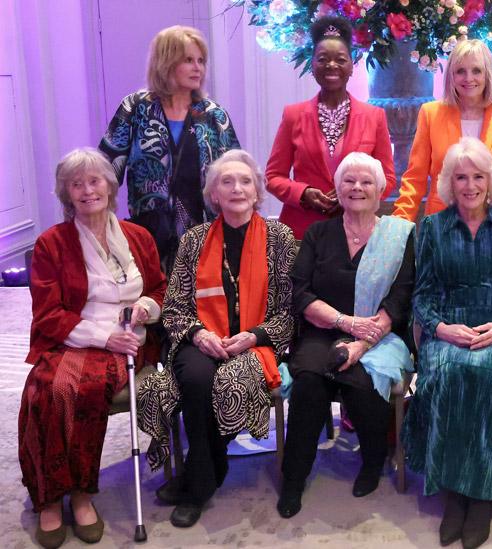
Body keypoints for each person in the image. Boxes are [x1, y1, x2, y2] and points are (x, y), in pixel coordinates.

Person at [137, 149, 296, 528]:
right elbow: (174, 305)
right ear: (214, 195)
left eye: (245, 182)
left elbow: (291, 309)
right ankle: (213, 467)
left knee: (229, 382)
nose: (237, 189)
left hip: (255, 344)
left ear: (257, 193)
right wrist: (198, 333)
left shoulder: (280, 237)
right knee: (193, 378)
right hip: (201, 339)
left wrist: (253, 336)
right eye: (227, 182)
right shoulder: (194, 240)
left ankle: (197, 483)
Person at [20, 148, 166, 548]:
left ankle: (82, 493)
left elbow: (158, 288)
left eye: (94, 181)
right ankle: (49, 497)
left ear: (109, 185)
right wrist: (103, 337)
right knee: (43, 389)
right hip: (75, 336)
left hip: (129, 341)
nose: (87, 191)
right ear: (66, 194)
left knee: (78, 390)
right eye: (76, 184)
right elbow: (48, 313)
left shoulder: (138, 236)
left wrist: (146, 307)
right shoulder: (52, 243)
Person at [402, 137, 492, 549]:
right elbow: (421, 295)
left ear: (491, 180)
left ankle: (481, 495)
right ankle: (454, 494)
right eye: (461, 177)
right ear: (449, 182)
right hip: (450, 329)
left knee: (487, 376)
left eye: (478, 176)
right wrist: (441, 329)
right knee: (449, 373)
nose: (470, 185)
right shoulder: (432, 227)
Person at [277, 152, 415, 517]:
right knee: (309, 380)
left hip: (380, 335)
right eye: (349, 181)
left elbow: (401, 296)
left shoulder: (400, 235)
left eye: (366, 181)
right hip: (324, 329)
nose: (357, 188)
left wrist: (364, 339)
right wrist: (346, 324)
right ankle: (293, 479)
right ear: (337, 189)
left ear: (381, 189)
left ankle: (371, 462)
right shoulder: (318, 234)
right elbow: (301, 292)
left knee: (362, 380)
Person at [99, 25, 240, 273]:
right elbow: (104, 171)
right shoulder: (135, 108)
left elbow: (237, 174)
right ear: (166, 62)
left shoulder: (213, 115)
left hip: (204, 237)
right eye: (188, 60)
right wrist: (101, 224)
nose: (198, 68)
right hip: (148, 237)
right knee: (151, 306)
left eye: (201, 61)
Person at [266, 15, 395, 240]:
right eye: (323, 59)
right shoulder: (293, 115)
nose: (331, 65)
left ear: (352, 65)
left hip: (357, 231)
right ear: (313, 64)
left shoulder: (375, 116)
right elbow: (274, 177)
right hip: (301, 231)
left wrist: (355, 196)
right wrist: (303, 193)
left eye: (340, 59)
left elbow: (388, 179)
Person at [393, 39, 492, 221]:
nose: (468, 78)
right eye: (460, 71)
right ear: (451, 76)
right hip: (441, 225)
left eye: (476, 70)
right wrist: (397, 225)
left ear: (488, 75)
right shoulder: (430, 114)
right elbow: (415, 178)